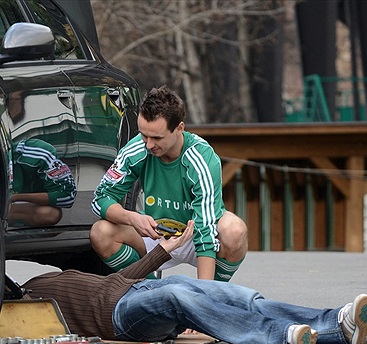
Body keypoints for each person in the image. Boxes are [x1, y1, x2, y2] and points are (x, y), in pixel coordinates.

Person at [20, 221, 367, 344]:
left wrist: (162, 252)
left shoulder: (55, 276)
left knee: (238, 296)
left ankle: (336, 325)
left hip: (133, 292)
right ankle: (278, 335)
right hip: (120, 318)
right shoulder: (26, 303)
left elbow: (120, 279)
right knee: (176, 295)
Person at [90, 85, 248, 282]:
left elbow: (205, 231)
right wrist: (132, 218)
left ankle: (214, 293)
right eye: (143, 134)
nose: (148, 144)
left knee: (234, 230)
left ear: (179, 128)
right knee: (101, 231)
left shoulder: (202, 158)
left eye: (157, 137)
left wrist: (203, 294)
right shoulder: (137, 149)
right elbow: (100, 199)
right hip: (154, 236)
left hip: (194, 237)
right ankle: (150, 290)